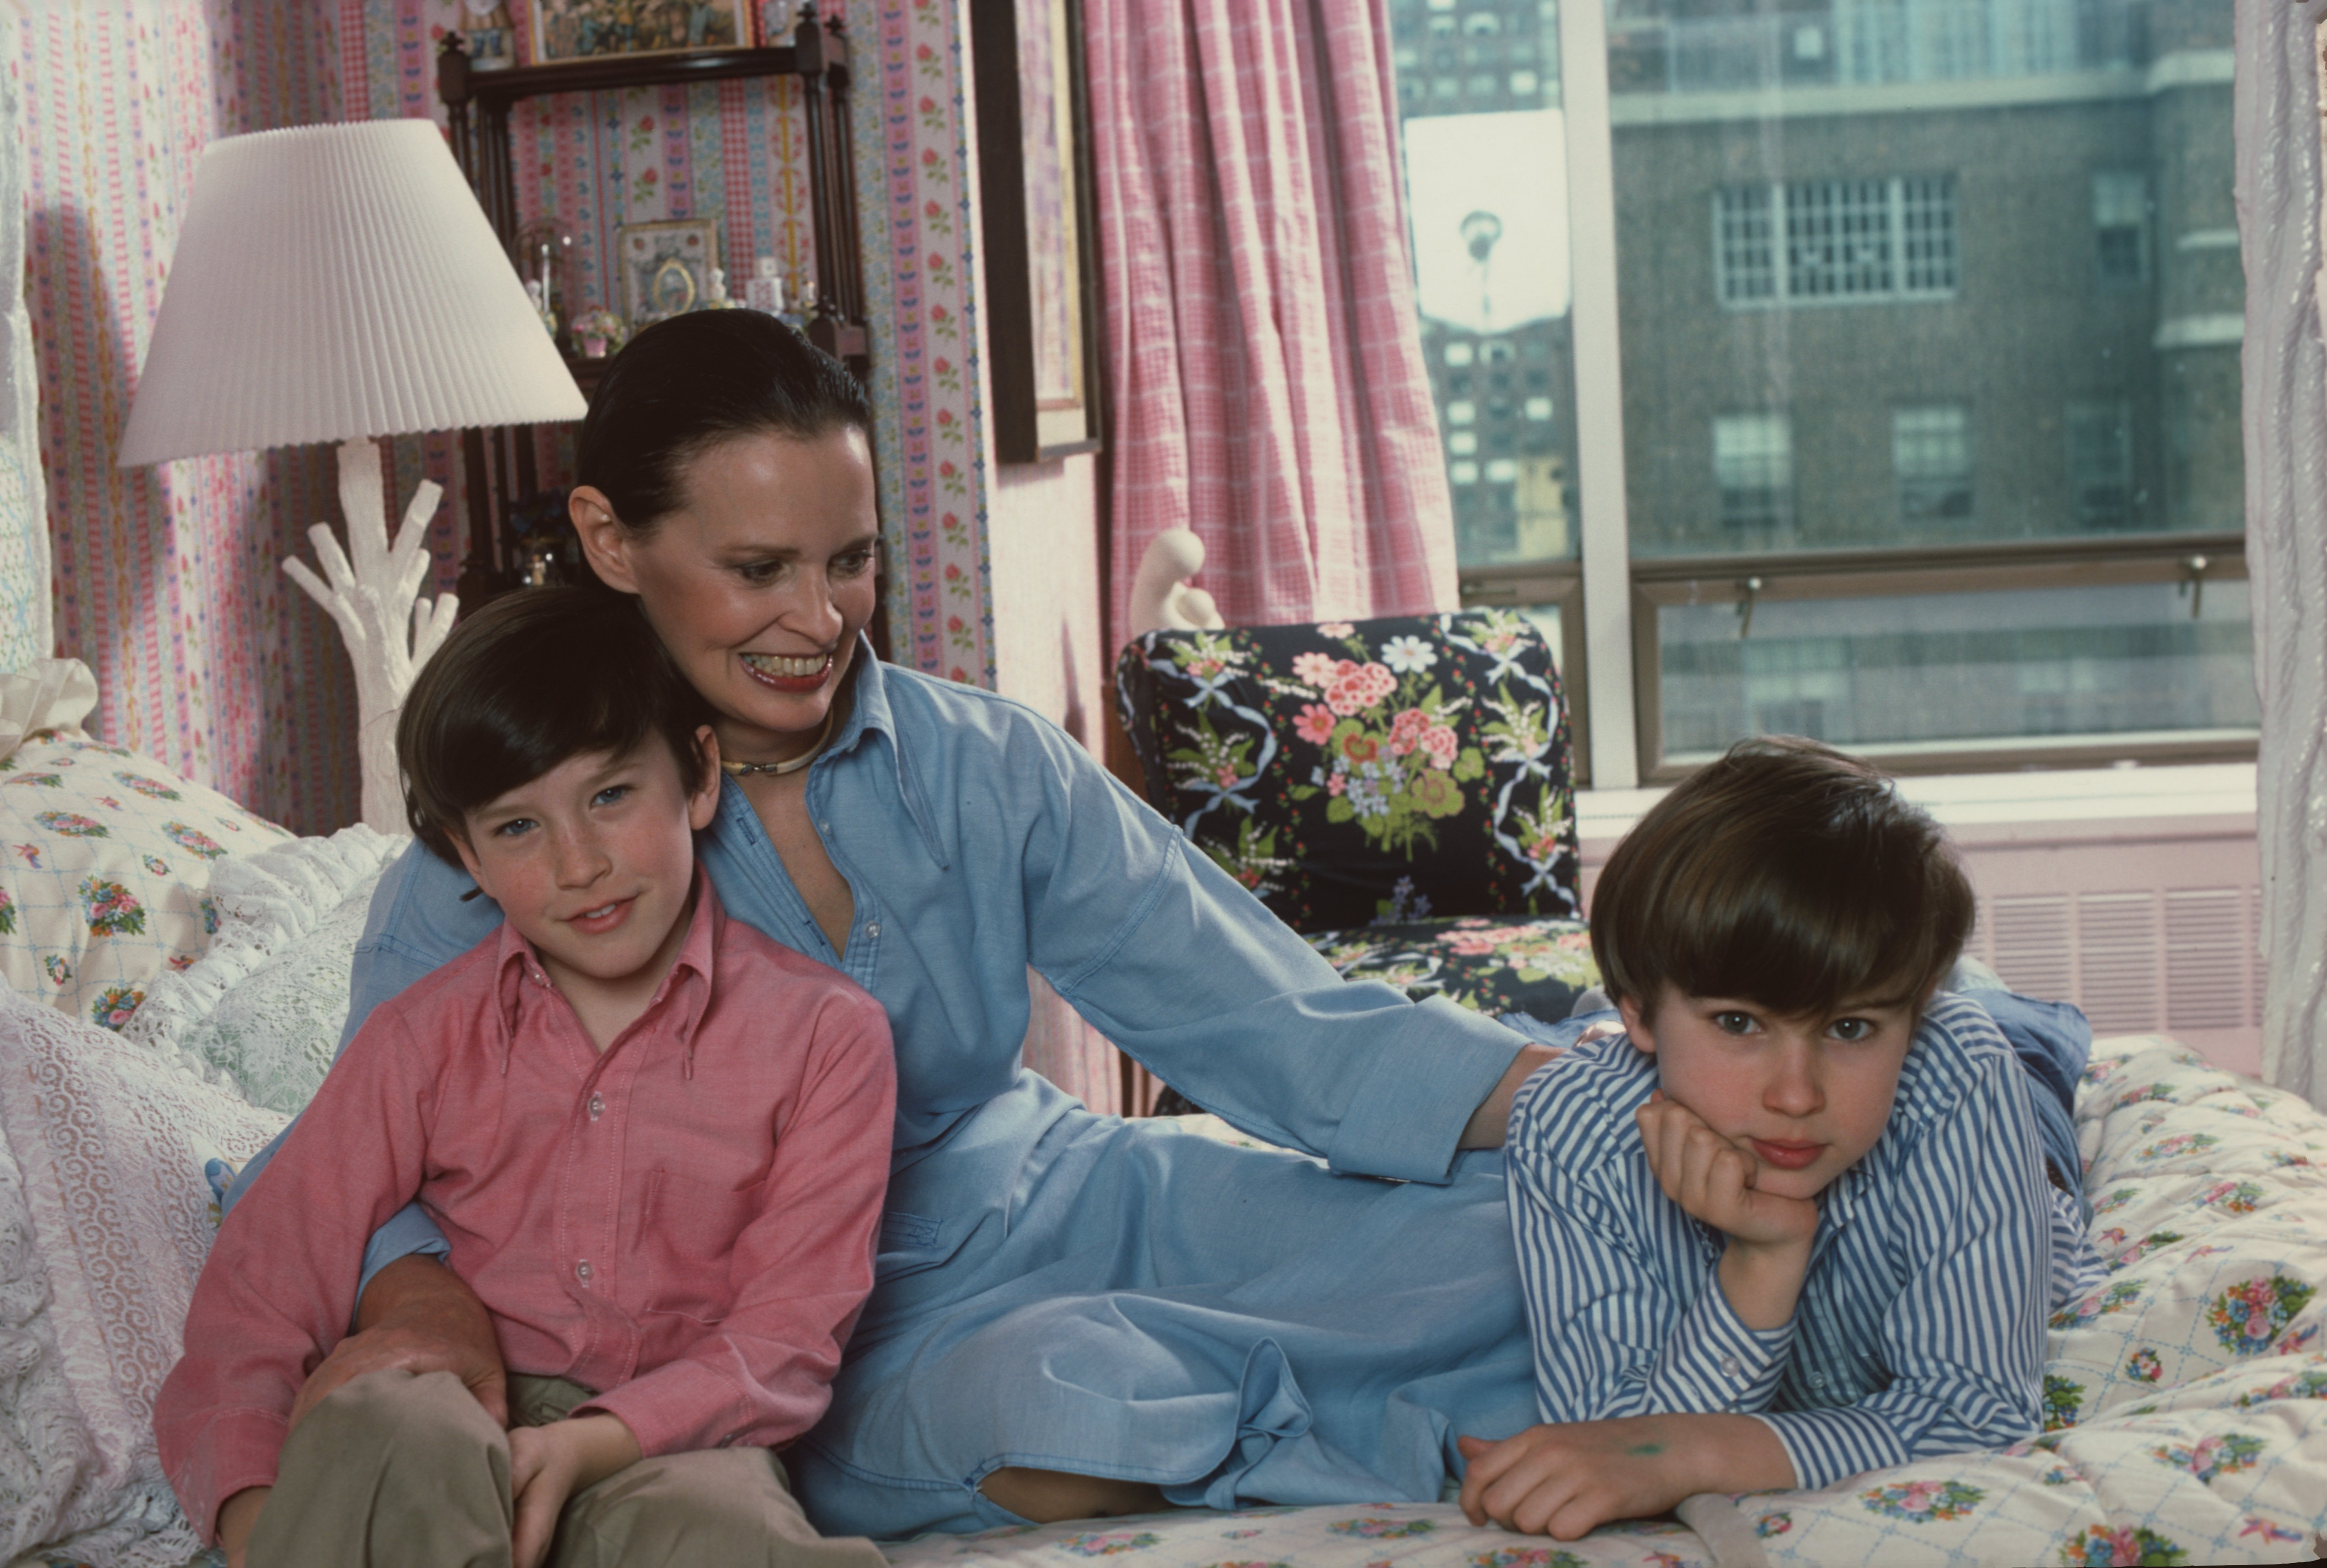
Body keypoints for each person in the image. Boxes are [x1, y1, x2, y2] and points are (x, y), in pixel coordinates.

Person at [209, 309, 1568, 1544]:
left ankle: (1600, 1355)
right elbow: (357, 1166)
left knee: (1530, 1223)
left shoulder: (984, 763)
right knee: (1069, 1391)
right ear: (612, 540)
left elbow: (1280, 1026)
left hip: (1048, 1195)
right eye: (757, 568)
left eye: (848, 559)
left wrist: (1601, 1105)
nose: (819, 619)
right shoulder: (510, 858)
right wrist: (422, 1299)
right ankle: (1351, 1409)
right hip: (809, 1331)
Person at [159, 588, 898, 1568]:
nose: (579, 863)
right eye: (516, 829)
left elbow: (784, 1338)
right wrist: (259, 1517)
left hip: (665, 1435)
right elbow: (264, 1282)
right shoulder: (419, 1036)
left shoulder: (825, 1037)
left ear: (699, 775)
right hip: (457, 1408)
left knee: (733, 1537)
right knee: (382, 1419)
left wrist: (586, 1441)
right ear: (464, 852)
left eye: (609, 797)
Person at [1458, 738, 2104, 1538]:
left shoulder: (1957, 1069)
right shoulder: (1569, 1121)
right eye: (1738, 1023)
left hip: (1995, 1081)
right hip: (1634, 1048)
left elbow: (1978, 1406)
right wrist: (1759, 1261)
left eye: (1848, 1027)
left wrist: (1693, 1450)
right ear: (1637, 1011)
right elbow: (1608, 1437)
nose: (1794, 1096)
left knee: (2023, 1040)